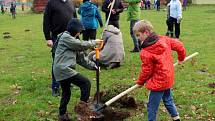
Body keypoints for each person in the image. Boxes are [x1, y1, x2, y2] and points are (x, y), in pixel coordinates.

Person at [133, 20, 186, 121]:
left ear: (146, 32)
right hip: (168, 78)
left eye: (138, 35)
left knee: (152, 107)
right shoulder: (164, 39)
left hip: (158, 83)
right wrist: (181, 58)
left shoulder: (146, 52)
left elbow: (146, 71)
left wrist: (140, 82)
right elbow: (180, 46)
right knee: (168, 100)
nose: (138, 38)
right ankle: (176, 118)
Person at [52, 18, 102, 121]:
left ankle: (62, 115)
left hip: (61, 71)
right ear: (75, 30)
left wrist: (94, 66)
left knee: (66, 92)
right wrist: (94, 42)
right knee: (85, 83)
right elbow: (81, 45)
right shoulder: (66, 37)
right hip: (64, 69)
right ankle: (82, 110)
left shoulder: (72, 41)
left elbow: (81, 59)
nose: (80, 33)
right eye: (80, 31)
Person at [43, 0, 77, 96]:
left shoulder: (70, 3)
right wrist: (48, 38)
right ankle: (55, 87)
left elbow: (75, 19)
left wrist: (77, 35)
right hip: (56, 37)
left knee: (70, 60)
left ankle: (68, 82)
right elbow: (46, 20)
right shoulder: (51, 3)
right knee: (57, 62)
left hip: (71, 37)